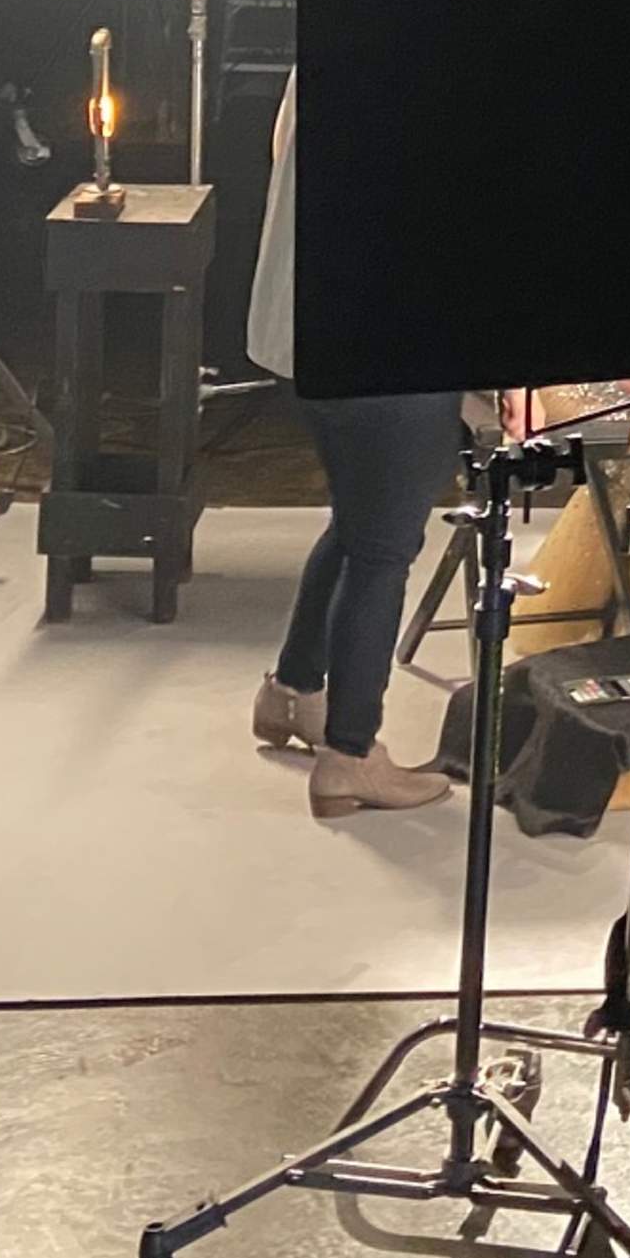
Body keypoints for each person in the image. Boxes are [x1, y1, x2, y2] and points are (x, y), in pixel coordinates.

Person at [243, 78, 462, 816]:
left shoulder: (326, 49)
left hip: (300, 334)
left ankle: (293, 694)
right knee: (384, 548)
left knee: (357, 521)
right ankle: (351, 754)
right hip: (390, 345)